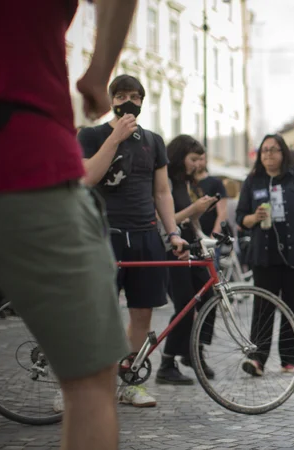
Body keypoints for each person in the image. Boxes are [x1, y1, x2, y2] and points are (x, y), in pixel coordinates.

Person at [0, 1, 137, 448]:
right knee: (91, 380)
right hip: (24, 155)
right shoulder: (100, 133)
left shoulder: (149, 143)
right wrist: (98, 73)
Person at [79, 74, 189, 408]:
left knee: (141, 314)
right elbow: (86, 176)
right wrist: (114, 138)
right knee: (97, 314)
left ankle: (126, 379)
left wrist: (173, 232)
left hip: (144, 235)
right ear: (112, 100)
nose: (130, 101)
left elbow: (162, 191)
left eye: (136, 96)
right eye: (123, 95)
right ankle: (78, 387)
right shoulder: (92, 134)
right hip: (103, 234)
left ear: (143, 101)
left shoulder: (153, 141)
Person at [236, 134, 294, 376]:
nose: (268, 155)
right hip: (263, 255)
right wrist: (254, 218)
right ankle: (257, 359)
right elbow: (241, 216)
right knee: (262, 308)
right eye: (264, 151)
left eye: (274, 150)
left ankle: (289, 359)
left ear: (283, 153)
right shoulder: (253, 181)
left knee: (293, 307)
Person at [155, 135, 217, 385]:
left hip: (192, 247)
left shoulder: (186, 182)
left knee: (210, 296)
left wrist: (205, 236)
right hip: (173, 248)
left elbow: (192, 221)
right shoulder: (166, 179)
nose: (198, 165)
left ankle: (195, 350)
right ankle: (167, 363)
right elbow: (165, 220)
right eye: (193, 159)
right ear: (180, 156)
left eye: (200, 160)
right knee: (184, 304)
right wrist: (194, 209)